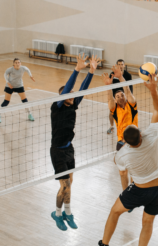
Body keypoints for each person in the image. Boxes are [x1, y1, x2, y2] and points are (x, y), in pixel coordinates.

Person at [89, 73, 158, 246]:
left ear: (126, 141)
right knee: (147, 224)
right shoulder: (152, 135)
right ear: (140, 133)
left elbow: (120, 164)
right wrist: (153, 89)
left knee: (115, 212)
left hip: (140, 190)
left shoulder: (123, 154)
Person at [50, 54, 100, 231]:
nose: (72, 95)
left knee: (70, 183)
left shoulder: (73, 104)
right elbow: (69, 88)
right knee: (65, 186)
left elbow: (83, 89)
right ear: (62, 97)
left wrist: (91, 71)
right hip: (57, 151)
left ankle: (68, 213)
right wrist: (77, 69)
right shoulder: (56, 108)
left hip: (69, 149)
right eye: (69, 94)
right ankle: (57, 214)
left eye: (73, 95)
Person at [100, 65, 138, 191]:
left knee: (133, 169)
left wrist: (120, 76)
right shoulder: (115, 109)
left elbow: (127, 90)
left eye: (122, 95)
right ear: (115, 100)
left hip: (133, 141)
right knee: (122, 172)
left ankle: (134, 190)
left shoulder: (131, 105)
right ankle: (125, 193)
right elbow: (109, 98)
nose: (121, 97)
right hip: (121, 142)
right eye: (118, 96)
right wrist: (108, 86)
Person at [1, 58, 35, 123]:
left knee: (25, 101)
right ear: (14, 63)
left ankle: (30, 114)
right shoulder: (10, 69)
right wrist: (8, 82)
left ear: (20, 63)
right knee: (6, 101)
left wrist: (30, 76)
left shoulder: (23, 68)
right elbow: (5, 74)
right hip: (10, 86)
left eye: (18, 62)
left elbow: (27, 70)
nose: (17, 64)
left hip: (19, 85)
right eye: (16, 62)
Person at [107, 59, 133, 134]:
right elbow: (110, 86)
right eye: (119, 64)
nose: (120, 66)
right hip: (115, 97)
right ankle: (111, 126)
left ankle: (129, 127)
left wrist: (129, 98)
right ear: (116, 65)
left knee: (127, 113)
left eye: (122, 64)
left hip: (124, 98)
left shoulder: (128, 75)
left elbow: (130, 88)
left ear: (124, 65)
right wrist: (111, 98)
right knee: (111, 112)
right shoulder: (112, 74)